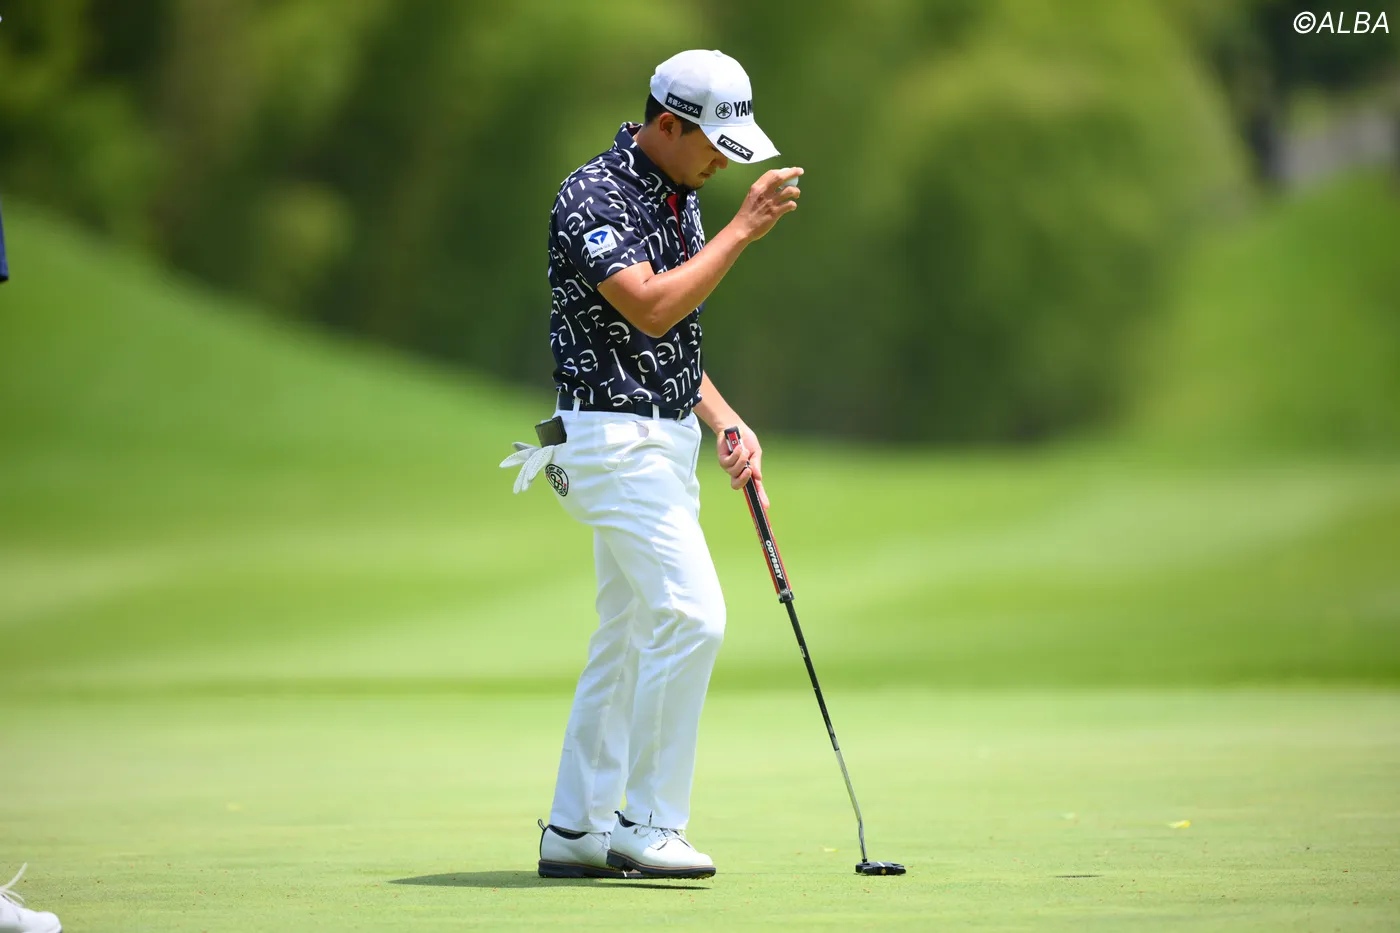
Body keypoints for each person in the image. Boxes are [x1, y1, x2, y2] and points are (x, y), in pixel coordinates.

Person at [501, 49, 802, 880]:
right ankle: (648, 822)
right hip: (606, 441)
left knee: (629, 634)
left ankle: (575, 828)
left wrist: (726, 418)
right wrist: (742, 231)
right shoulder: (592, 195)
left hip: (662, 440)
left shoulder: (680, 198)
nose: (721, 164)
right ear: (667, 123)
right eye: (713, 145)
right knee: (693, 616)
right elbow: (650, 305)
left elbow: (664, 340)